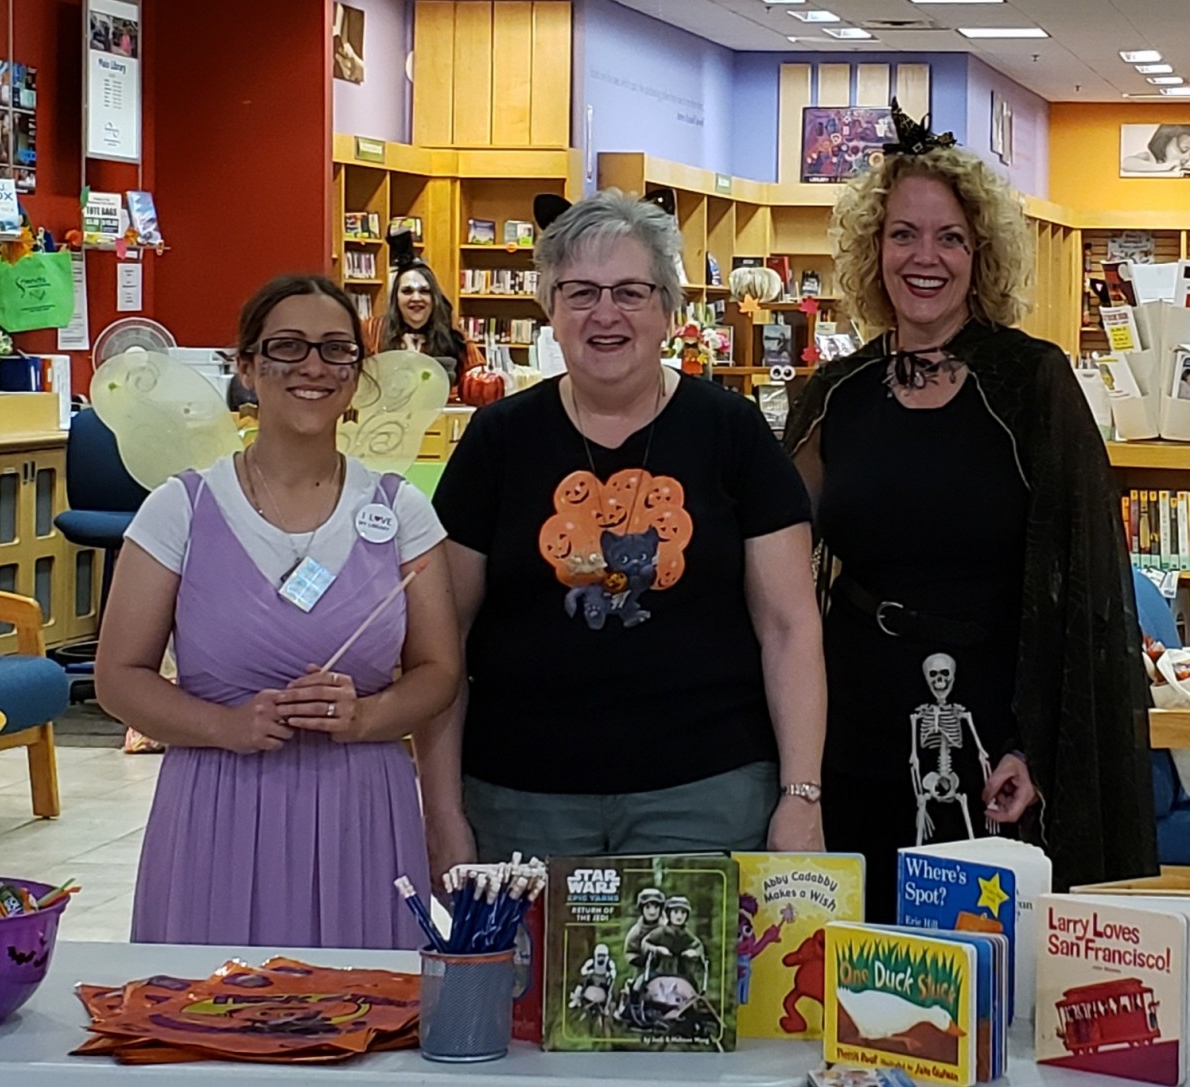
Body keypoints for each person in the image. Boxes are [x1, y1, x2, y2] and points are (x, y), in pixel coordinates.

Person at [783, 101, 1157, 921]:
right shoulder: (834, 395)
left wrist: (1033, 742)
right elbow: (776, 571)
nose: (925, 258)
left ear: (981, 253)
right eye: (903, 235)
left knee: (984, 967)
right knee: (864, 950)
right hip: (854, 723)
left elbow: (1085, 585)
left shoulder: (1032, 384)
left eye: (949, 236)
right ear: (870, 251)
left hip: (993, 731)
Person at [418, 188, 826, 885]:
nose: (605, 313)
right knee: (524, 994)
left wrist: (801, 795)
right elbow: (439, 642)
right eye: (580, 292)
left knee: (687, 988)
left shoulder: (732, 433)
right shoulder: (498, 441)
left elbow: (790, 626)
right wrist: (441, 810)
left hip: (707, 796)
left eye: (631, 291)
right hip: (520, 803)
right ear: (550, 308)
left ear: (668, 309)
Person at [96, 273, 461, 948]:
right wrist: (223, 724)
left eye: (334, 350)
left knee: (362, 1025)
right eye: (287, 347)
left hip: (362, 811)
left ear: (358, 375)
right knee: (212, 1024)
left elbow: (439, 670)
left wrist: (370, 715)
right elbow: (119, 676)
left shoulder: (400, 509)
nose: (313, 367)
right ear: (247, 366)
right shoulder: (182, 509)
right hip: (217, 806)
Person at [363, 235, 484, 395]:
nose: (416, 298)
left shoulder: (454, 336)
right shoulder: (372, 331)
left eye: (424, 291)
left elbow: (479, 379)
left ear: (434, 298)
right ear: (396, 298)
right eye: (407, 291)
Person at [1122, 125, 1190, 174]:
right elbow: (1126, 163)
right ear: (1164, 143)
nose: (1188, 157)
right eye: (1184, 149)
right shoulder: (1150, 157)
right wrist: (1165, 167)